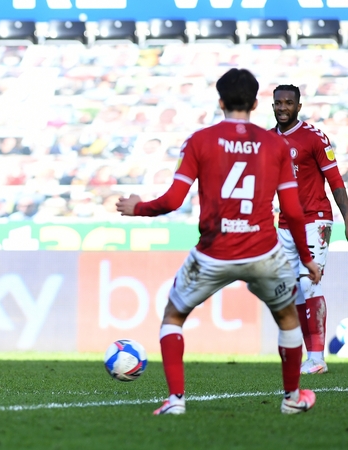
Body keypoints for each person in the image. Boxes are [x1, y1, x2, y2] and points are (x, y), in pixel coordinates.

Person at [116, 69, 321, 415]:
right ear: (257, 103)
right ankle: (292, 398)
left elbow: (172, 201)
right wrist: (307, 258)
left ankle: (176, 401)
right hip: (264, 251)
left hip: (213, 251)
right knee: (287, 319)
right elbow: (293, 211)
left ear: (220, 102)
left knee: (173, 316)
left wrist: (138, 207)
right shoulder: (276, 145)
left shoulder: (200, 140)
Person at [271, 84, 348, 375]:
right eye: (278, 103)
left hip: (316, 218)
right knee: (295, 292)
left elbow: (336, 182)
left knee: (308, 283)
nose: (282, 108)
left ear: (298, 107)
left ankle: (317, 358)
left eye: (288, 103)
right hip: (286, 224)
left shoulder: (314, 137)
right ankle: (310, 356)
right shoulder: (268, 140)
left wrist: (347, 218)